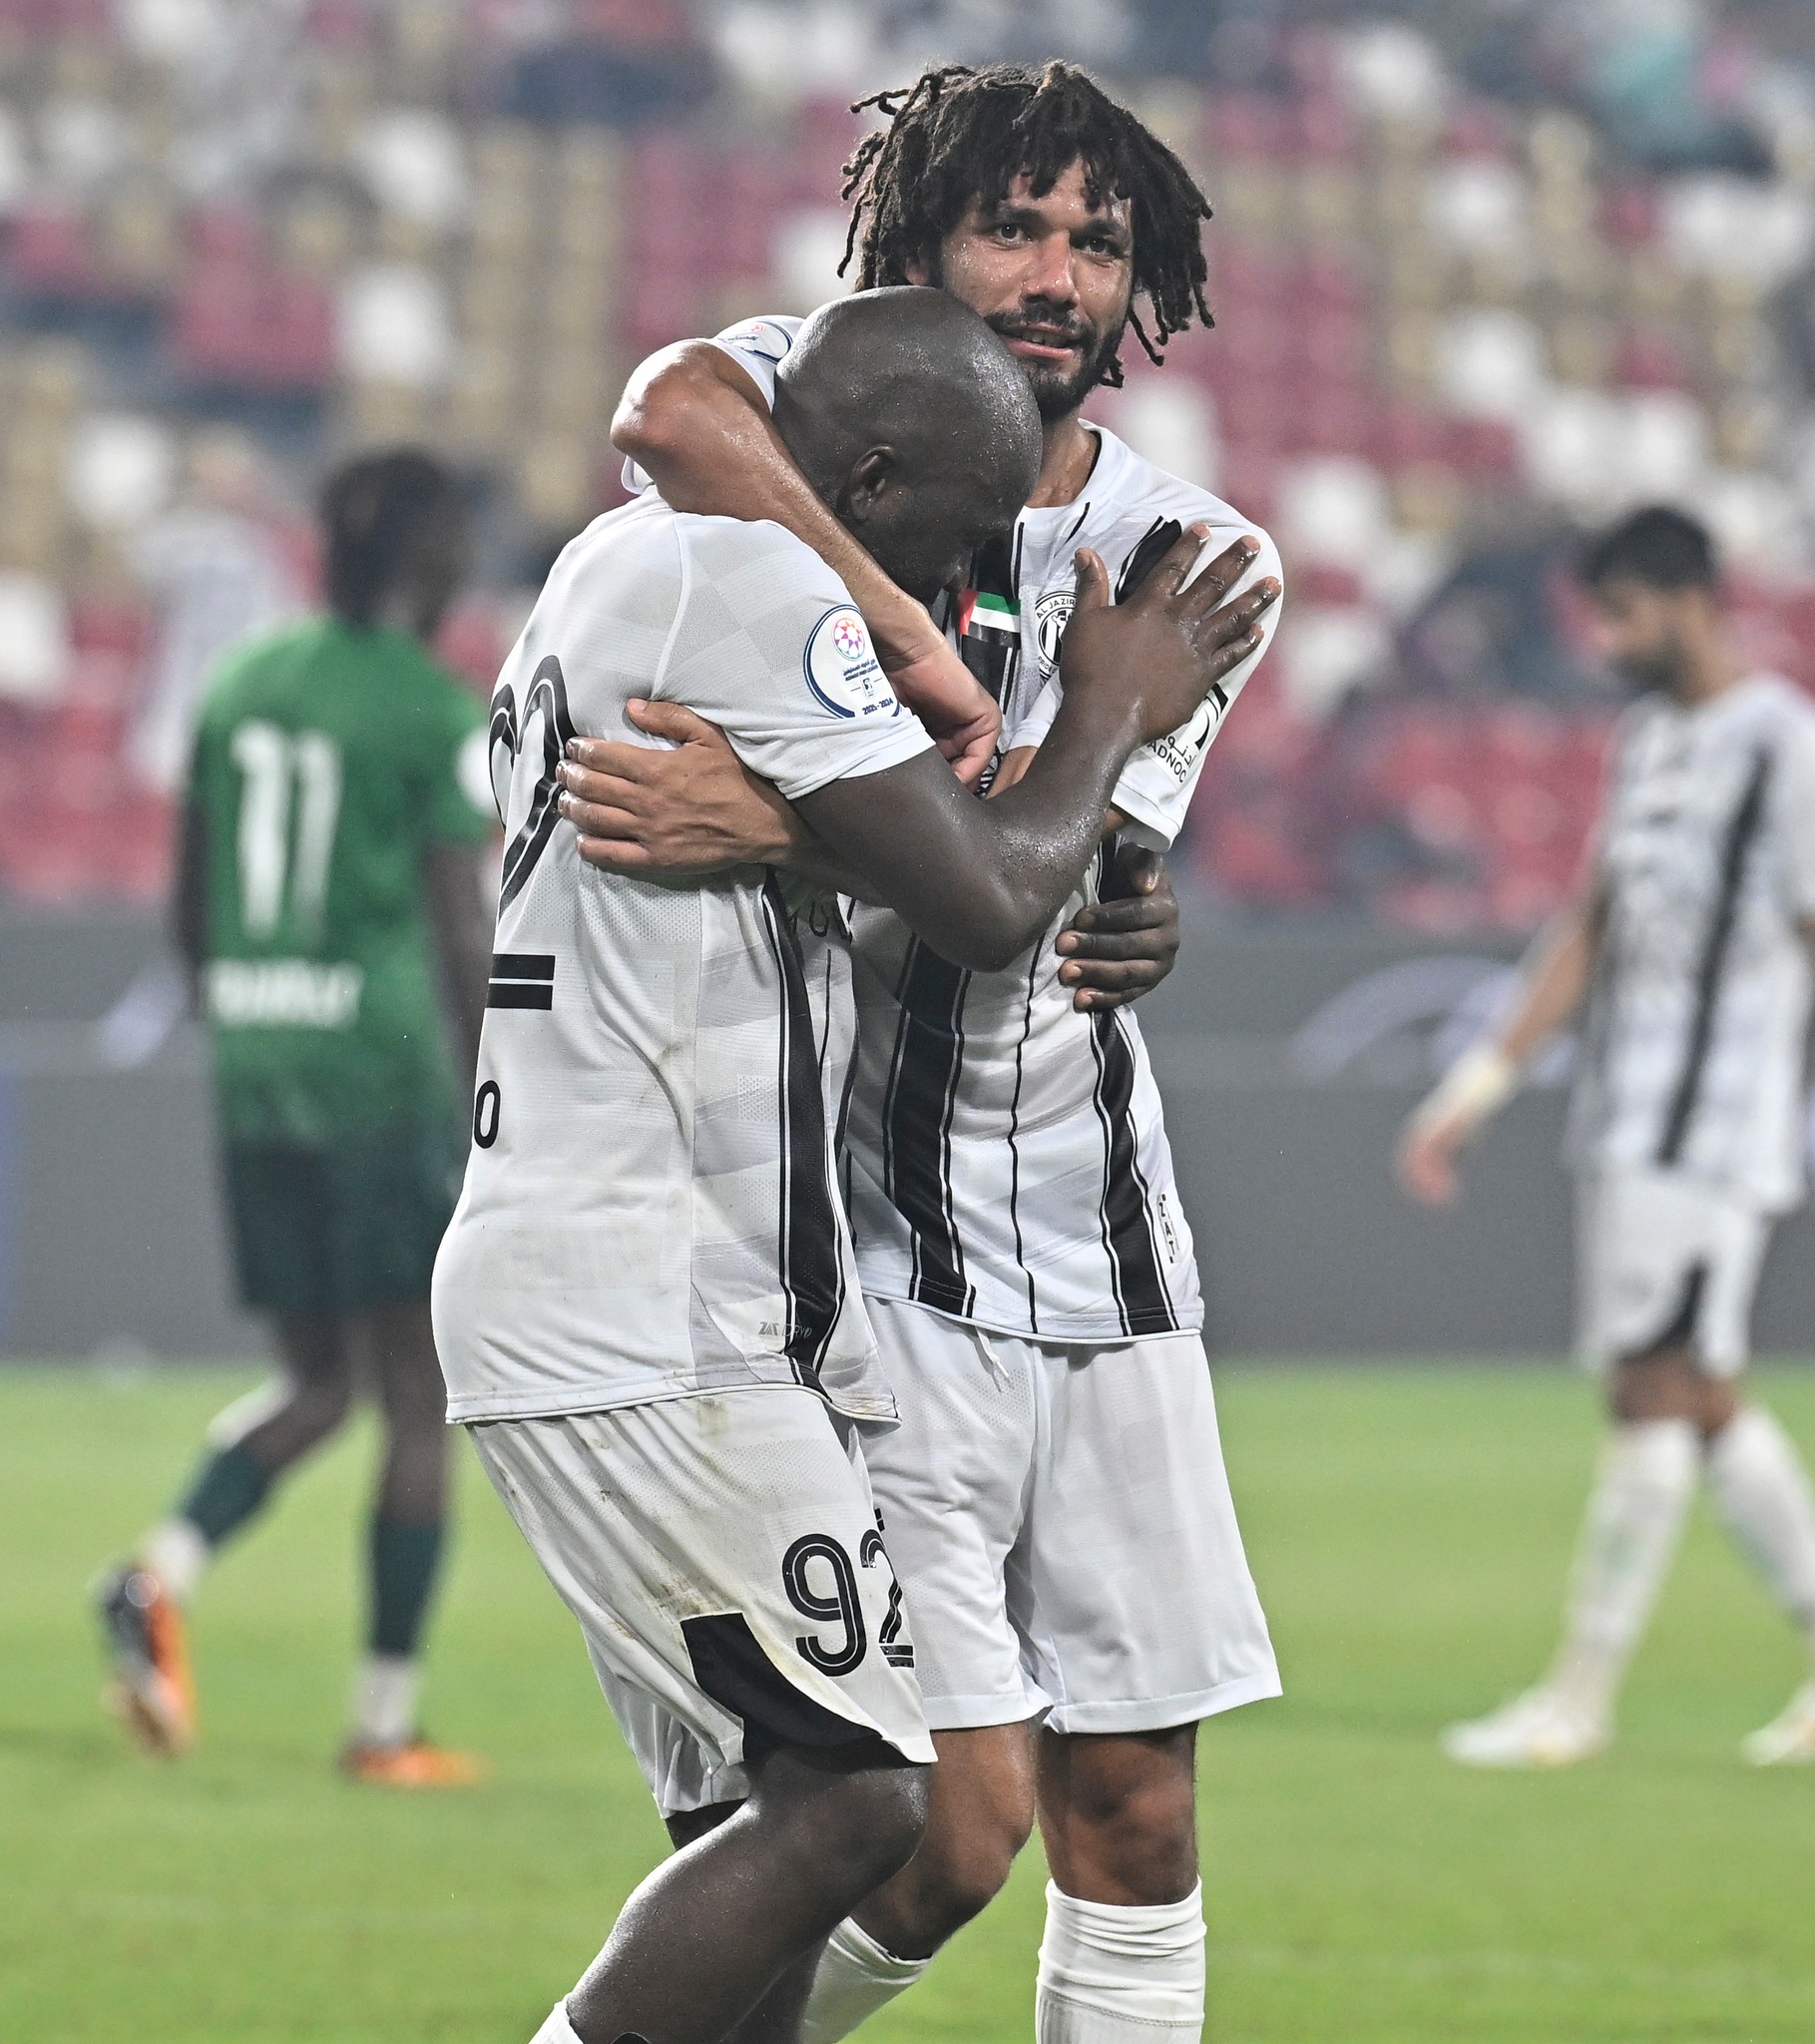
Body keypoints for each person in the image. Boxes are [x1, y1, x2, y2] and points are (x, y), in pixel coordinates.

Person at [431, 286, 1271, 2044]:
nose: (940, 597)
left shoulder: (601, 567)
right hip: (656, 1308)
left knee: (758, 1853)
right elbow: (988, 896)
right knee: (864, 1800)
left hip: (604, 1278)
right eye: (943, 546)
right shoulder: (753, 583)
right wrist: (1107, 708)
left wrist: (800, 822)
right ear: (871, 479)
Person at [1398, 504, 1815, 1770]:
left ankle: (1576, 1698)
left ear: (1690, 600)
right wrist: (1477, 1085)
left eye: (1623, 613)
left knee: (1647, 1385)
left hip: (1713, 1126)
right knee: (1699, 1398)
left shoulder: (1793, 748)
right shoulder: (1644, 741)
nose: (1608, 640)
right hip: (1626, 1114)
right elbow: (1591, 924)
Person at [98, 450, 495, 1786]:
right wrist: (499, 1097)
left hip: (260, 1064)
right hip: (381, 1077)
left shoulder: (241, 682)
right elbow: (459, 925)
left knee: (320, 1381)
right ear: (427, 560)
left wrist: (252, 1019)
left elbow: (188, 906)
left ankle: (157, 1574)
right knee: (414, 1395)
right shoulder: (424, 706)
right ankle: (383, 1726)